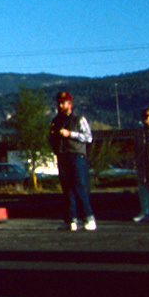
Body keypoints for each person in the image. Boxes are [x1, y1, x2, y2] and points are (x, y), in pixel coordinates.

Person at [50, 91, 96, 231]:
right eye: (59, 103)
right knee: (67, 189)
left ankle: (88, 218)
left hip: (76, 155)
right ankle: (71, 220)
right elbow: (51, 137)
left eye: (63, 103)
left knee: (79, 186)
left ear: (70, 104)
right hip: (62, 156)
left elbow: (88, 137)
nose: (60, 105)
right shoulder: (56, 121)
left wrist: (71, 134)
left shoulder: (78, 119)